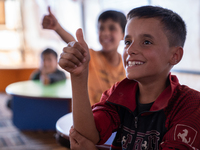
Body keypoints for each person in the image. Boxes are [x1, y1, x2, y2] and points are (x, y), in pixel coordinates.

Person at [59, 5, 200, 150]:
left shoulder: (190, 104)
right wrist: (78, 77)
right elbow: (86, 136)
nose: (130, 50)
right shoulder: (118, 93)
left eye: (146, 42)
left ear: (174, 56)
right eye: (127, 42)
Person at [42, 7, 126, 105]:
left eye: (112, 28)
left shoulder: (127, 64)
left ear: (123, 34)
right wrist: (57, 27)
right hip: (92, 117)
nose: (105, 33)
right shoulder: (91, 57)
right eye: (101, 28)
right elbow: (74, 43)